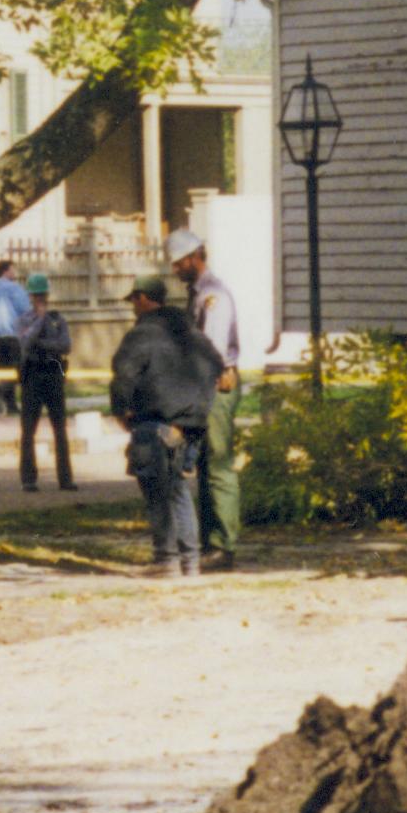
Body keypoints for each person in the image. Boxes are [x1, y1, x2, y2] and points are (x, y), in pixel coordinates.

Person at [108, 276, 224, 577]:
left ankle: (166, 560)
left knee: (157, 492)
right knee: (178, 490)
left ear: (144, 298)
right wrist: (196, 411)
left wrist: (121, 410)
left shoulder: (141, 335)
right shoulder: (191, 331)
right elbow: (217, 367)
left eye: (134, 299)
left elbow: (123, 375)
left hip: (153, 420)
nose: (133, 306)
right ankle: (190, 560)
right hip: (189, 424)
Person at [167, 228, 246, 569]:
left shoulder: (212, 295)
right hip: (205, 383)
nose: (175, 270)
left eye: (178, 262)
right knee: (205, 463)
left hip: (216, 383)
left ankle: (223, 545)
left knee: (218, 464)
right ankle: (211, 540)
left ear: (193, 257)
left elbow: (209, 350)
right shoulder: (199, 293)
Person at [16, 273, 75, 491]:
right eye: (36, 295)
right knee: (28, 429)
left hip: (53, 372)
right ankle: (29, 479)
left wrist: (42, 342)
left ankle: (66, 478)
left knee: (60, 428)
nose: (40, 299)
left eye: (43, 294)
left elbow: (65, 346)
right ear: (30, 297)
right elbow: (26, 342)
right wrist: (40, 322)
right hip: (32, 375)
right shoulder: (24, 319)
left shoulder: (58, 319)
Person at [0, 261, 33, 416]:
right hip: (12, 334)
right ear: (6, 271)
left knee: (5, 370)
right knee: (18, 369)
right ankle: (0, 391)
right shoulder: (14, 288)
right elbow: (25, 310)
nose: (15, 273)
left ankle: (11, 407)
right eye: (13, 269)